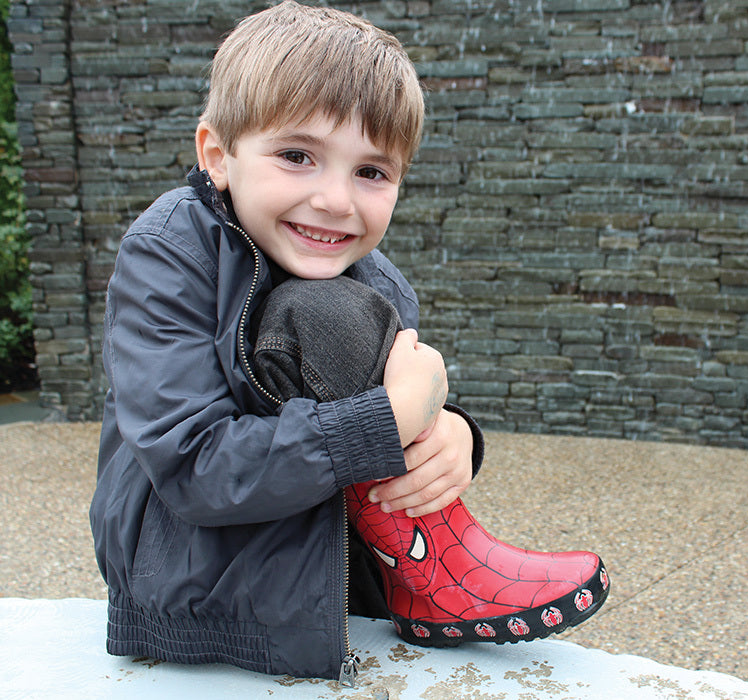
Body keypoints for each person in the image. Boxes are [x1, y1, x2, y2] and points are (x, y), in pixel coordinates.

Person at [90, 1, 607, 684]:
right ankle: (444, 575)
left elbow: (399, 404)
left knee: (345, 316)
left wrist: (451, 436)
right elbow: (194, 467)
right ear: (218, 155)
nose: (336, 200)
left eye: (372, 171)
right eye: (298, 156)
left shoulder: (375, 276)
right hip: (193, 578)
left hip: (335, 575)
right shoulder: (166, 254)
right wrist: (388, 421)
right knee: (324, 310)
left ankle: (442, 569)